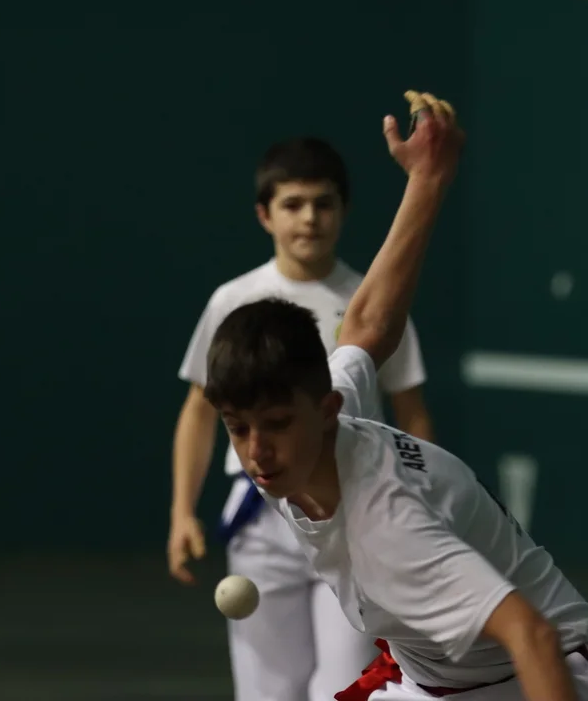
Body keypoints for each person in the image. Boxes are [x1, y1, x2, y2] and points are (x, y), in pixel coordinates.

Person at [202, 91, 588, 701]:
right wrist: (428, 179)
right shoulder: (324, 415)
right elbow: (367, 324)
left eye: (275, 424)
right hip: (435, 680)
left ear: (326, 413)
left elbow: (530, 636)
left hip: (540, 678)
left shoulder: (388, 522)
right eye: (238, 428)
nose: (257, 451)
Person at [168, 137, 434, 700]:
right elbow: (199, 411)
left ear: (343, 210)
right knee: (267, 691)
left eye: (323, 203)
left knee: (344, 687)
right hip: (262, 523)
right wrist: (182, 511)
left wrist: (422, 503)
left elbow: (411, 413)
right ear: (265, 214)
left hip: (356, 517)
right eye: (292, 204)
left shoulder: (373, 303)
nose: (309, 218)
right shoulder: (232, 300)